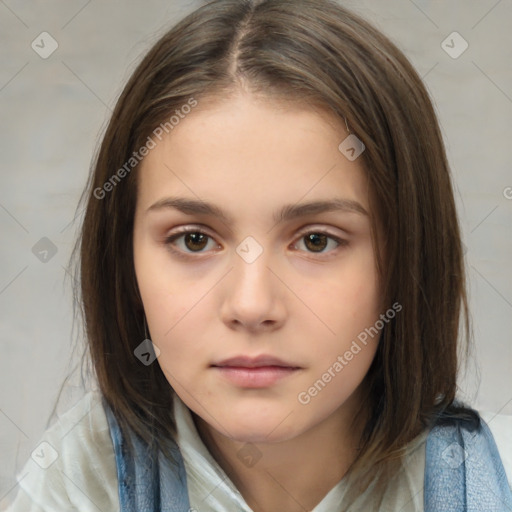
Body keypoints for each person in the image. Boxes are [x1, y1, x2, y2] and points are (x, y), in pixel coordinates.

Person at [5, 0, 512, 510]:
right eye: (194, 240)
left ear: (410, 258)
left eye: (316, 241)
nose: (251, 305)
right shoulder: (72, 485)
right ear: (123, 261)